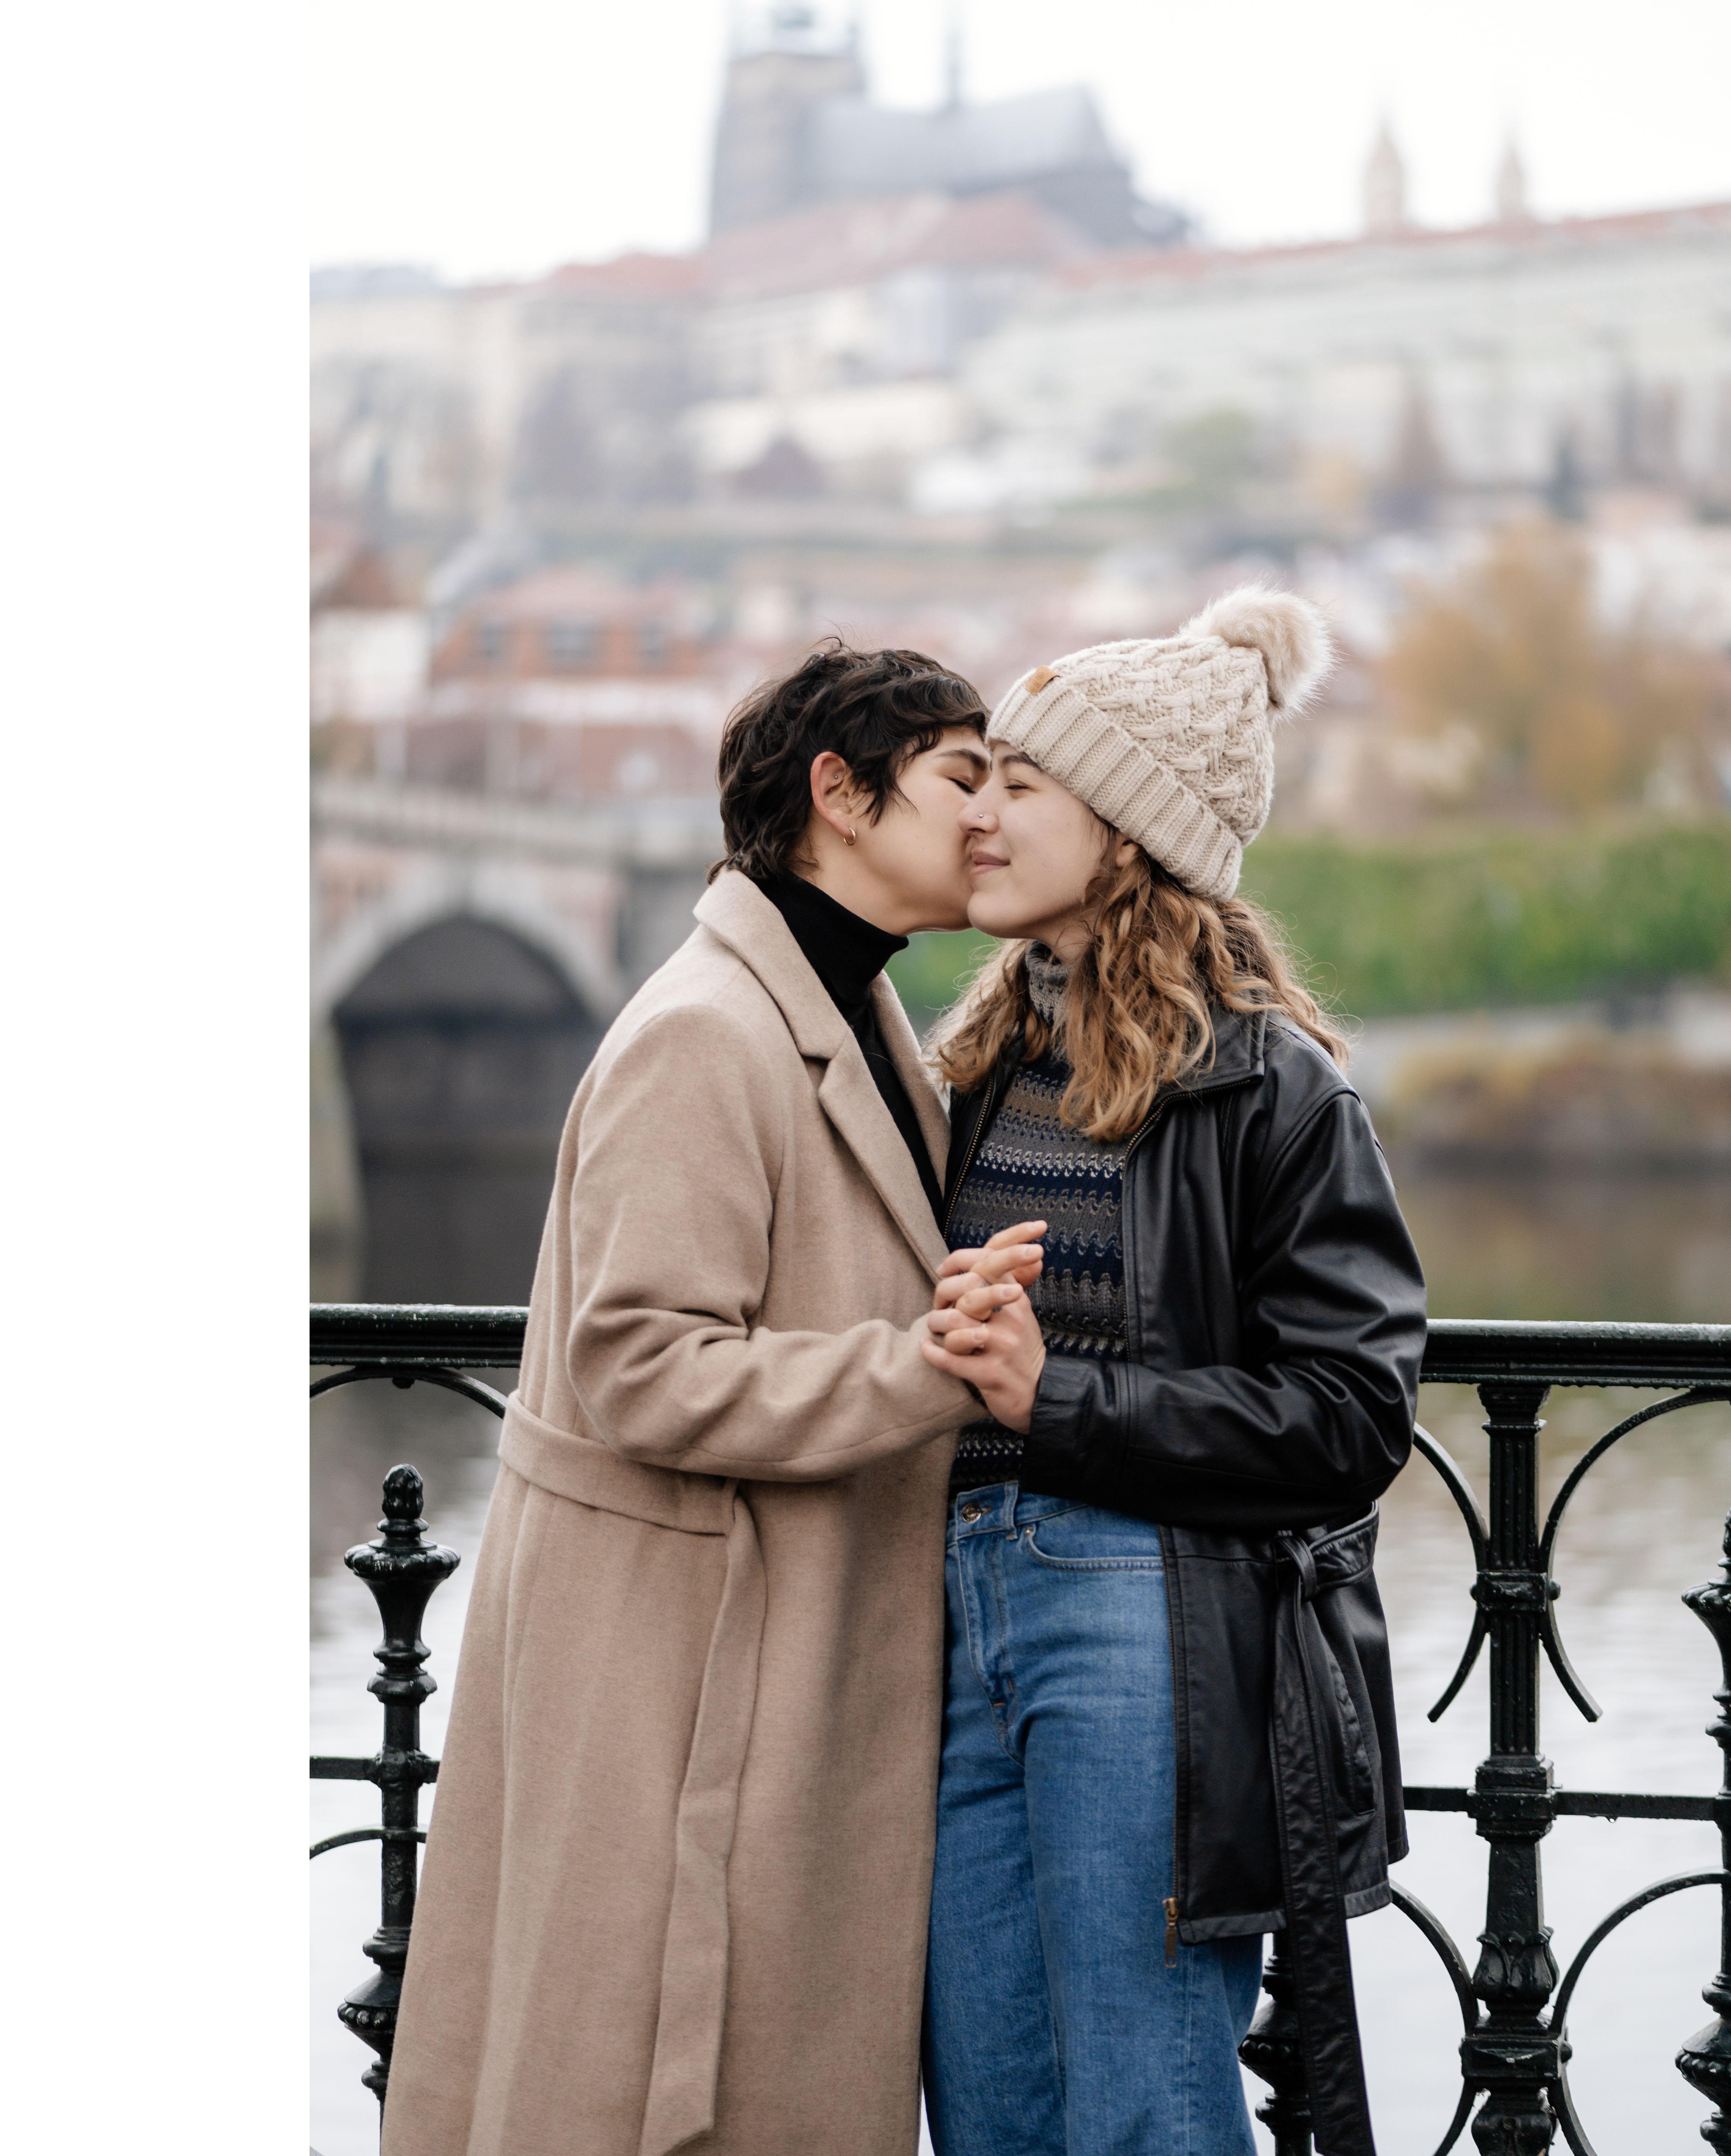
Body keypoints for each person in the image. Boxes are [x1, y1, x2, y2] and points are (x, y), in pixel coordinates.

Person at [383, 642, 1045, 2156]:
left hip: (776, 1658)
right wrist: (928, 1369)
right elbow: (641, 1365)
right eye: (960, 777)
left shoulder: (850, 1012)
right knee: (655, 2088)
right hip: (694, 1685)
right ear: (840, 795)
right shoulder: (705, 1030)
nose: (989, 815)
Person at [914, 589, 1428, 2156]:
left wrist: (1052, 1400)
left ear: (1129, 831)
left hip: (1144, 1619)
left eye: (1023, 784)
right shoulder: (983, 1060)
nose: (981, 814)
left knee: (1146, 2107)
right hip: (956, 1607)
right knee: (991, 2110)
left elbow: (1353, 1416)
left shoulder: (1270, 1081)